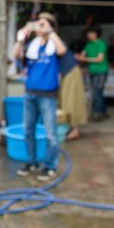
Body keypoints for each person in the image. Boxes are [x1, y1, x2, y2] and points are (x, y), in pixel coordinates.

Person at [14, 12, 67, 181]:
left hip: (48, 96)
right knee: (28, 130)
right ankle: (32, 162)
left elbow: (62, 50)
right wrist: (21, 37)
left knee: (51, 133)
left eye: (42, 24)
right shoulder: (32, 45)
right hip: (30, 94)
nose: (39, 27)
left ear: (51, 26)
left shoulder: (53, 44)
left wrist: (50, 32)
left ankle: (50, 166)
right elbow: (16, 55)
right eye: (38, 24)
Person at [76, 25, 109, 121]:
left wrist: (84, 59)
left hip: (101, 70)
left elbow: (100, 59)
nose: (89, 35)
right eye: (89, 33)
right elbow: (82, 55)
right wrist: (78, 57)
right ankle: (103, 111)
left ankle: (98, 113)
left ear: (96, 34)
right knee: (96, 91)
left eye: (91, 33)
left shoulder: (101, 44)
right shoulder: (88, 44)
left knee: (97, 91)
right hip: (92, 71)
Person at [58, 49, 87, 141]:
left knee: (70, 101)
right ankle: (70, 128)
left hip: (70, 72)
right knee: (64, 101)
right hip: (65, 72)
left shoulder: (54, 43)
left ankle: (75, 130)